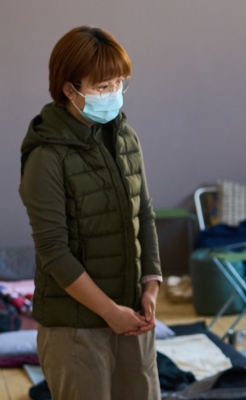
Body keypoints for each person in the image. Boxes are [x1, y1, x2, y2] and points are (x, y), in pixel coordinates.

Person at [19, 26, 160, 399]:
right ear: (70, 89)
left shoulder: (125, 137)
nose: (113, 95)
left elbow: (143, 212)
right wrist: (109, 312)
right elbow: (54, 251)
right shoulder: (46, 157)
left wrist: (151, 283)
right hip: (75, 326)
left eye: (119, 84)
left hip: (133, 316)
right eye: (101, 87)